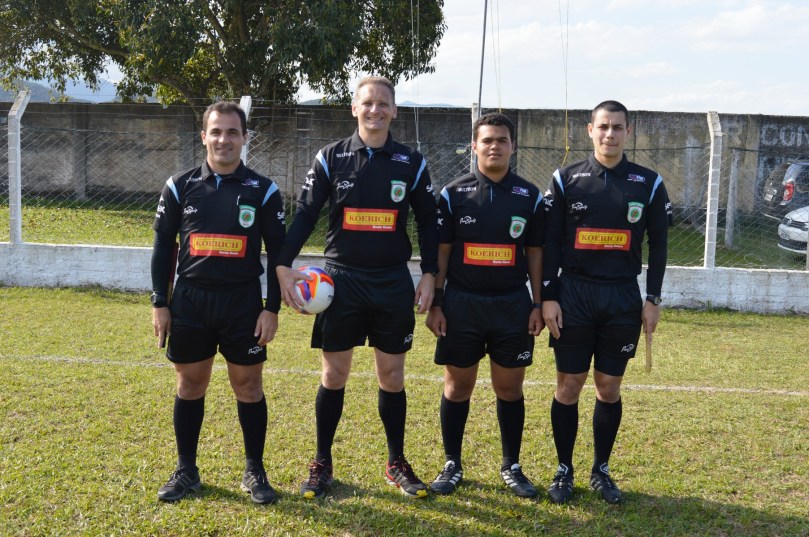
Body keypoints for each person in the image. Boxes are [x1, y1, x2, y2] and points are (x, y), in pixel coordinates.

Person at [275, 76, 439, 499]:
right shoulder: (331, 158)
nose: (375, 110)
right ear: (354, 108)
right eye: (368, 103)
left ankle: (396, 461)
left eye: (383, 104)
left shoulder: (411, 162)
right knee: (334, 373)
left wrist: (430, 273)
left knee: (392, 375)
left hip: (390, 282)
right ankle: (322, 462)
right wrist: (281, 264)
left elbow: (429, 222)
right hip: (341, 281)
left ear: (394, 110)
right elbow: (306, 214)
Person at [151, 101, 287, 504]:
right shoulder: (180, 185)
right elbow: (163, 247)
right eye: (216, 132)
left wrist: (272, 307)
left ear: (245, 138)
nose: (223, 139)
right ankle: (186, 470)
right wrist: (161, 302)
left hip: (243, 303)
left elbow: (279, 253)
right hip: (190, 301)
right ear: (204, 136)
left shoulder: (263, 190)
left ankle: (254, 470)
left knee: (248, 385)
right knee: (190, 383)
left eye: (232, 132)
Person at [541, 100, 673, 504]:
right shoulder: (567, 179)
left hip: (621, 296)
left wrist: (652, 299)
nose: (610, 134)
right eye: (603, 126)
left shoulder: (648, 183)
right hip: (574, 293)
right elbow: (549, 243)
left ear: (627, 132)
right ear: (590, 130)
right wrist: (548, 296)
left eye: (617, 127)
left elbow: (661, 245)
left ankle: (601, 469)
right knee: (569, 385)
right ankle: (564, 469)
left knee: (609, 387)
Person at [426, 113, 545, 498]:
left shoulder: (529, 195)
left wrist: (537, 303)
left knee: (509, 388)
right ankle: (452, 463)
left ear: (513, 146)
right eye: (487, 140)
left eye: (502, 140)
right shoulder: (453, 194)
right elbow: (442, 253)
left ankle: (511, 464)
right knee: (458, 386)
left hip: (512, 305)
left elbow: (535, 253)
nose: (495, 146)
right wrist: (438, 304)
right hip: (462, 303)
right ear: (474, 146)